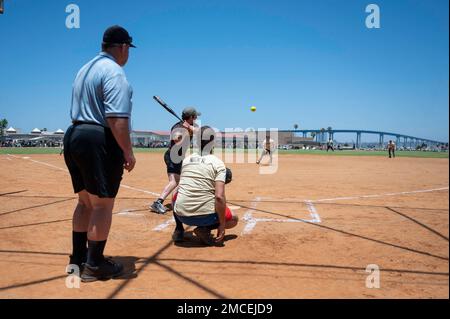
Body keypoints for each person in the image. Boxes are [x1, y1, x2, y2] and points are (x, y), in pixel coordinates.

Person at [64, 25, 136, 282]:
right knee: (103, 204)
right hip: (97, 138)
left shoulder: (85, 68)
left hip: (74, 134)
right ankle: (94, 265)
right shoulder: (115, 72)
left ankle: (78, 257)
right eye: (129, 49)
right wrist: (127, 151)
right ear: (124, 47)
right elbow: (116, 118)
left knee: (84, 201)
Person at [172, 126, 239, 245]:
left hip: (181, 215)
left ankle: (179, 229)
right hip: (204, 217)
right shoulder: (218, 163)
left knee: (176, 192)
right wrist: (222, 225)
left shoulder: (187, 160)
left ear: (197, 142)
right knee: (234, 218)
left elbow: (179, 189)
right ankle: (204, 229)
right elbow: (219, 197)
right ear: (213, 142)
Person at [149, 107, 200, 214]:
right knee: (174, 181)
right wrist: (185, 131)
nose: (196, 118)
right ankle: (158, 202)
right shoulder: (177, 127)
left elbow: (200, 132)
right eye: (195, 117)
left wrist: (189, 128)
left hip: (179, 157)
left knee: (180, 181)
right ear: (190, 117)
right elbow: (176, 140)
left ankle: (177, 201)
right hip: (173, 156)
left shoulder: (191, 126)